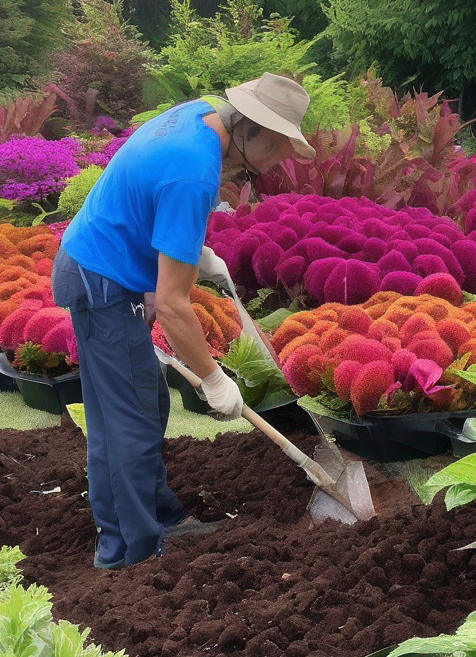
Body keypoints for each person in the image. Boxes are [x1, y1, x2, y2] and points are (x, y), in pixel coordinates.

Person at [52, 73, 315, 570]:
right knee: (125, 420)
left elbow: (147, 202)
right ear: (251, 130)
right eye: (278, 150)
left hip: (110, 265)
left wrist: (195, 254)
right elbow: (174, 305)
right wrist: (216, 381)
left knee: (141, 402)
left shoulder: (198, 116)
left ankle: (158, 518)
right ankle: (129, 551)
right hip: (102, 280)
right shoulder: (194, 171)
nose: (277, 164)